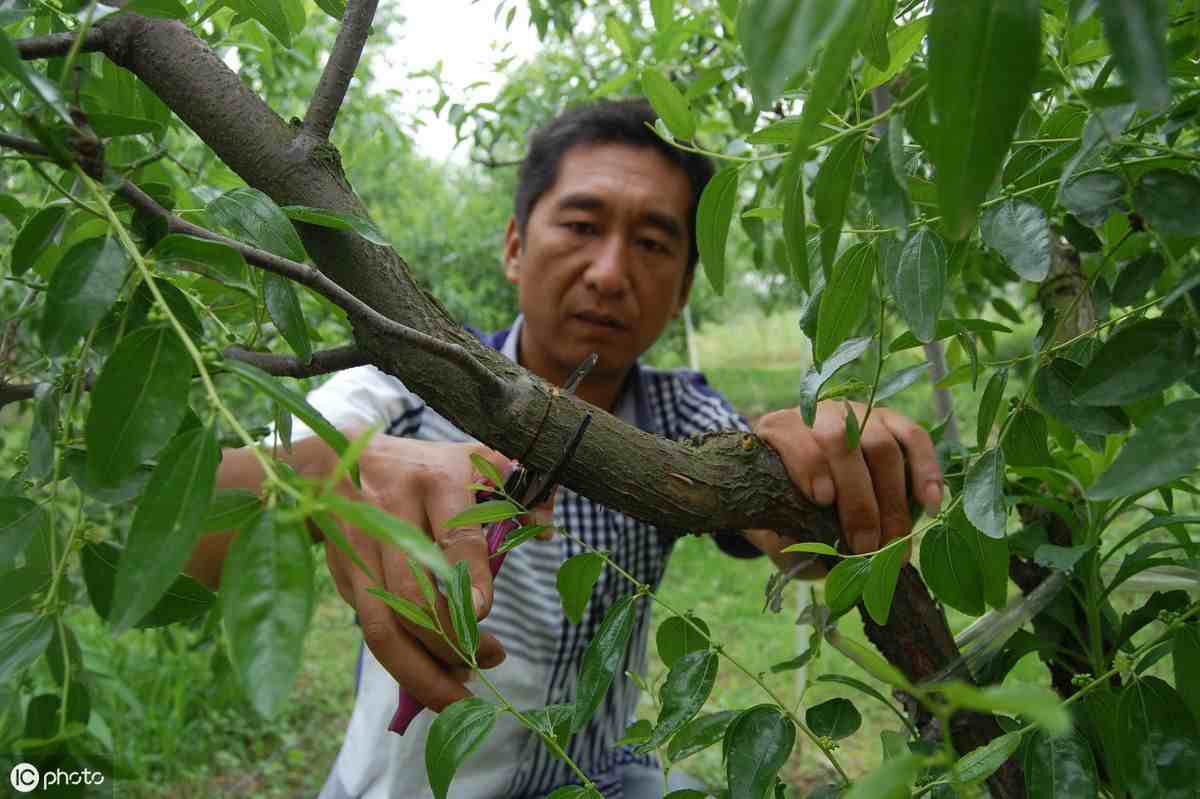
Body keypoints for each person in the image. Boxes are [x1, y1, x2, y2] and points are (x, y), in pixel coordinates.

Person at [187, 99, 943, 799]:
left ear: (681, 291)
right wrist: (332, 469)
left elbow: (795, 540)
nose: (610, 274)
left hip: (600, 779)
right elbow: (195, 532)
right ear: (516, 246)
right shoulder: (407, 383)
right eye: (581, 225)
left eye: (652, 243)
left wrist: (821, 462)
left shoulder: (679, 414)